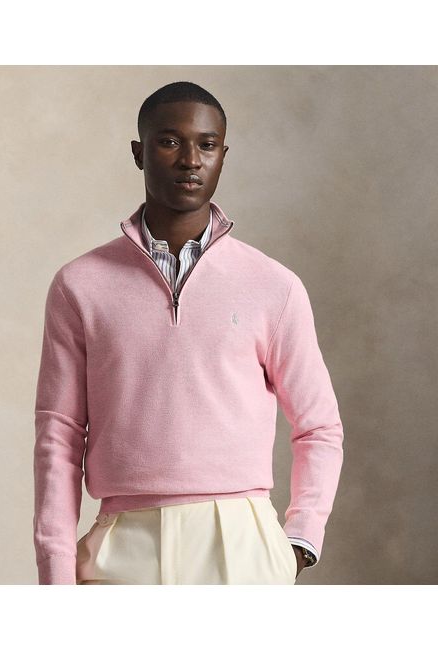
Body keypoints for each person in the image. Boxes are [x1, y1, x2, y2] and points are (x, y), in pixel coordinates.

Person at [33, 81, 344, 585]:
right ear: (139, 153)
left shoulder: (273, 285)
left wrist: (300, 541)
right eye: (170, 141)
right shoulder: (80, 285)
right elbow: (59, 434)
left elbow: (319, 426)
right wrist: (55, 567)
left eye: (207, 144)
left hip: (241, 542)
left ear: (223, 155)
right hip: (122, 541)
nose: (190, 160)